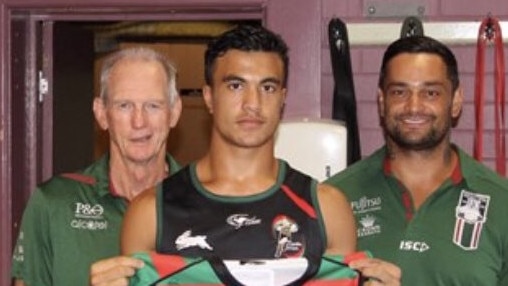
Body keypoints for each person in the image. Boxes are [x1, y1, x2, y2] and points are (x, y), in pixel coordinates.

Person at [121, 25, 400, 285]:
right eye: (235, 86)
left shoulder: (327, 209)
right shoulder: (150, 213)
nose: (252, 104)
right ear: (208, 96)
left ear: (282, 98)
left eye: (267, 87)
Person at [325, 35, 508, 285]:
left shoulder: (501, 203)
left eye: (431, 93)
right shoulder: (335, 197)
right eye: (399, 92)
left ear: (455, 102)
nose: (413, 106)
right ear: (381, 101)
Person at [11, 47, 183, 286]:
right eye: (124, 105)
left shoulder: (207, 204)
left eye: (153, 106)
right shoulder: (53, 205)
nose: (139, 121)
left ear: (174, 113)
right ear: (102, 114)